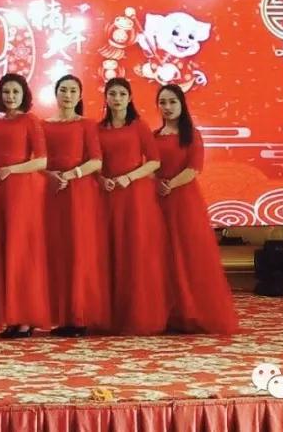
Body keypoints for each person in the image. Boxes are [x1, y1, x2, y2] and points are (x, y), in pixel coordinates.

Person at [155, 84, 238, 335]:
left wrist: (169, 185)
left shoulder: (191, 135)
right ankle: (166, 313)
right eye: (163, 102)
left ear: (182, 104)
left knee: (188, 255)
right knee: (162, 256)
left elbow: (193, 169)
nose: (167, 107)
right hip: (156, 201)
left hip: (184, 201)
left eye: (172, 102)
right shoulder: (153, 136)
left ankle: (192, 312)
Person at [96, 77, 169, 336]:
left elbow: (154, 162)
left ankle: (139, 314)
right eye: (112, 94)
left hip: (135, 196)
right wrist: (101, 179)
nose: (117, 99)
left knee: (135, 251)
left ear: (130, 98)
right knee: (110, 251)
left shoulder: (139, 126)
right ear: (106, 98)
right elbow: (95, 162)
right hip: (107, 196)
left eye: (122, 94)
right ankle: (110, 315)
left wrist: (129, 177)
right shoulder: (98, 129)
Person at [43, 74, 111, 336]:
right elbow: (39, 159)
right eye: (63, 90)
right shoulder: (44, 125)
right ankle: (61, 317)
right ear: (55, 93)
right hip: (52, 193)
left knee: (79, 250)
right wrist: (51, 176)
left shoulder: (87, 124)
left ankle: (80, 315)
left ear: (80, 95)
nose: (67, 95)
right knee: (57, 252)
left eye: (73, 90)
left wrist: (71, 175)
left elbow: (96, 161)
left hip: (80, 193)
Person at [0, 72, 50, 338]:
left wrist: (10, 169)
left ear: (24, 95)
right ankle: (11, 316)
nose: (10, 97)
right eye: (6, 92)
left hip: (22, 192)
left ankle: (26, 317)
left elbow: (42, 161)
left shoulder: (31, 121)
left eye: (15, 92)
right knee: (3, 251)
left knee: (21, 251)